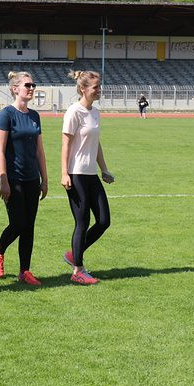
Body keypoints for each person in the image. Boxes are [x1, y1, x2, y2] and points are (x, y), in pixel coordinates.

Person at [0, 72, 47, 286]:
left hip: (32, 179)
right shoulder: (6, 114)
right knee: (18, 223)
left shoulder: (35, 116)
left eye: (33, 85)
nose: (31, 88)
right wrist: (2, 179)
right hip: (13, 179)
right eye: (27, 85)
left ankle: (25, 270)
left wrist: (45, 179)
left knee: (29, 226)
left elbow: (40, 151)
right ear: (15, 89)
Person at [60, 70, 114, 285]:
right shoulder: (74, 111)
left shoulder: (95, 112)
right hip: (76, 174)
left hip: (91, 174)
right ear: (83, 89)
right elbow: (65, 143)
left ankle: (75, 253)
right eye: (95, 87)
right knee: (82, 222)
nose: (99, 90)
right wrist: (64, 172)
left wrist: (104, 169)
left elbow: (96, 143)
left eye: (99, 86)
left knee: (103, 221)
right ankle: (78, 270)